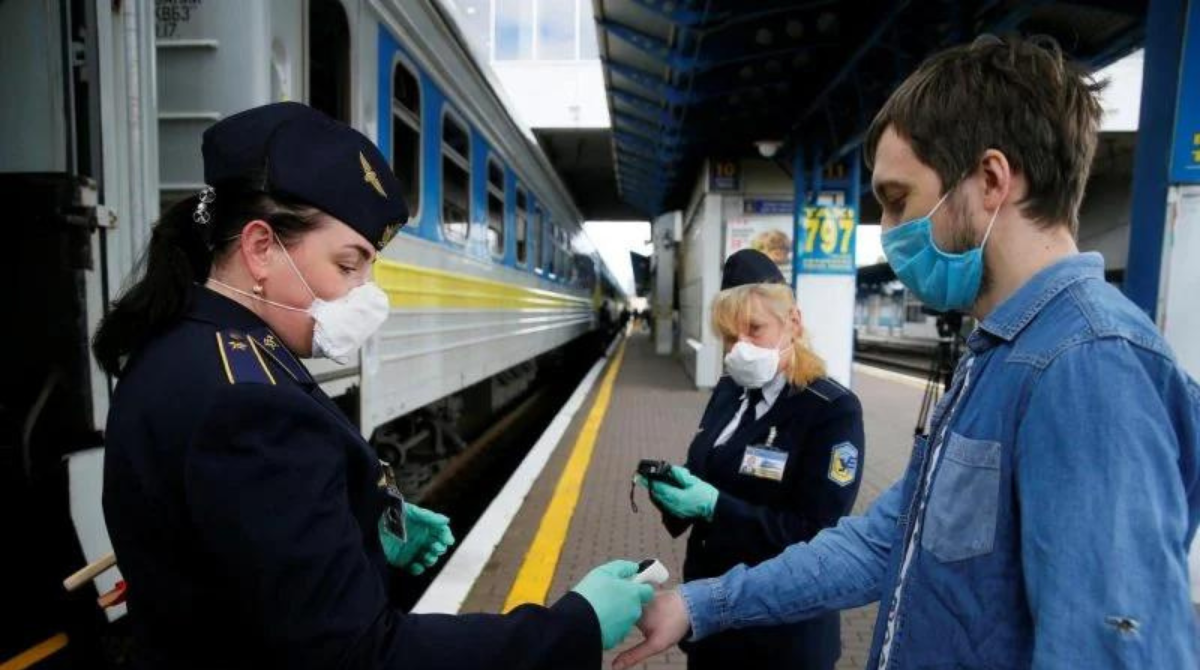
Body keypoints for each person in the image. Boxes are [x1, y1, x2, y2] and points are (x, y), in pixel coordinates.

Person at [615, 35, 1200, 670]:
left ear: (990, 181)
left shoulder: (1089, 367)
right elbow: (881, 543)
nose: (889, 233)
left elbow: (1114, 649)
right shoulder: (1001, 357)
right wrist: (702, 605)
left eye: (898, 200)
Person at [94, 102, 652, 670]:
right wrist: (573, 625)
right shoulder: (251, 406)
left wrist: (361, 525)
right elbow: (361, 655)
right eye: (347, 265)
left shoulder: (179, 347)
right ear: (261, 247)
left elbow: (237, 565)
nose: (366, 293)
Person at [635, 248, 863, 669]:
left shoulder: (830, 410)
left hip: (780, 637)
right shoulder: (730, 391)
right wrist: (675, 492)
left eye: (754, 329)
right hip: (709, 620)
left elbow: (815, 535)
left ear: (792, 322)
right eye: (728, 336)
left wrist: (713, 505)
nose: (740, 348)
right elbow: (707, 471)